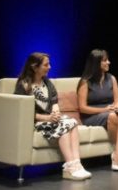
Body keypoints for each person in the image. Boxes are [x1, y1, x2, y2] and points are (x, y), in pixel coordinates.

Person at [14, 52, 91, 181]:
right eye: (46, 65)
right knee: (64, 127)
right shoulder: (24, 85)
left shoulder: (47, 82)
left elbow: (54, 101)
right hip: (35, 122)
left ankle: (77, 164)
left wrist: (56, 112)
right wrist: (47, 118)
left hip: (50, 120)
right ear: (35, 67)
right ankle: (69, 166)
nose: (49, 67)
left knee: (72, 122)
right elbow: (22, 111)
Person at [77, 49, 118, 171]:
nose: (108, 62)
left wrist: (116, 106)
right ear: (96, 63)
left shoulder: (112, 78)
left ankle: (117, 153)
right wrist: (104, 110)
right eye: (105, 60)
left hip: (109, 111)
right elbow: (82, 108)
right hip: (91, 115)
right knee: (112, 116)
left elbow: (117, 100)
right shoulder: (85, 82)